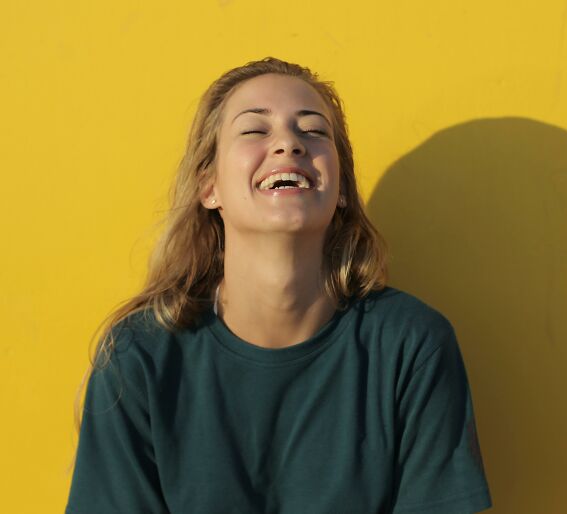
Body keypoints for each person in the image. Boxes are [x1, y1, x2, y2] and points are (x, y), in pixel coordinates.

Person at [65, 57, 492, 514]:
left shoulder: (411, 345)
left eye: (313, 131)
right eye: (254, 131)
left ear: (342, 187)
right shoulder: (140, 358)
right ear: (209, 187)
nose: (289, 144)